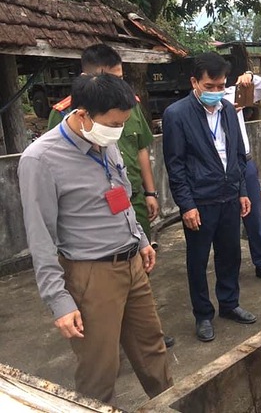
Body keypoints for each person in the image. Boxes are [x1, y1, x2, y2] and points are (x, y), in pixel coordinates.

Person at [18, 74, 173, 404]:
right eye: (113, 123)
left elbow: (120, 197)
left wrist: (141, 239)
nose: (118, 131)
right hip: (92, 276)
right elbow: (41, 238)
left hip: (132, 264)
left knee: (153, 349)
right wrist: (59, 302)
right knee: (100, 369)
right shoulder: (41, 159)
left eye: (123, 123)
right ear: (82, 114)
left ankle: (172, 405)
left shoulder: (107, 142)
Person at [47, 43, 174, 348]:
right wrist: (58, 300)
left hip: (127, 216)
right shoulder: (56, 132)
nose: (118, 85)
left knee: (141, 288)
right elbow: (42, 233)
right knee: (99, 348)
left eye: (121, 77)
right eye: (110, 78)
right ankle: (109, 339)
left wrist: (149, 193)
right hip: (89, 245)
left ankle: (135, 330)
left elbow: (138, 155)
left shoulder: (120, 117)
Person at [162, 52, 255, 343]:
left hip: (228, 196)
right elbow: (175, 165)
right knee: (198, 260)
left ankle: (229, 304)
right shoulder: (177, 115)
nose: (215, 92)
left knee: (230, 255)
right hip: (200, 201)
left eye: (220, 86)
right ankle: (203, 314)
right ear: (194, 82)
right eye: (209, 86)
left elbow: (237, 154)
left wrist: (241, 191)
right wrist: (186, 205)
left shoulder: (228, 110)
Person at [224, 71, 261, 284]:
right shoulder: (201, 107)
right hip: (222, 170)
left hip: (245, 164)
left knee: (254, 218)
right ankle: (230, 272)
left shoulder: (234, 95)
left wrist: (248, 75)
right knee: (228, 223)